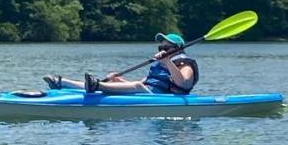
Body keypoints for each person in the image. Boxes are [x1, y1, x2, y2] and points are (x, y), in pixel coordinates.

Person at [44, 32, 199, 95]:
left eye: (167, 47)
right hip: (148, 93)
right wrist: (119, 81)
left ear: (177, 49)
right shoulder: (160, 65)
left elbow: (184, 84)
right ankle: (62, 82)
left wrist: (167, 61)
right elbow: (143, 83)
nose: (163, 50)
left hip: (164, 98)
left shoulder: (185, 64)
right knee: (117, 82)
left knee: (137, 87)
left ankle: (96, 85)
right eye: (161, 47)